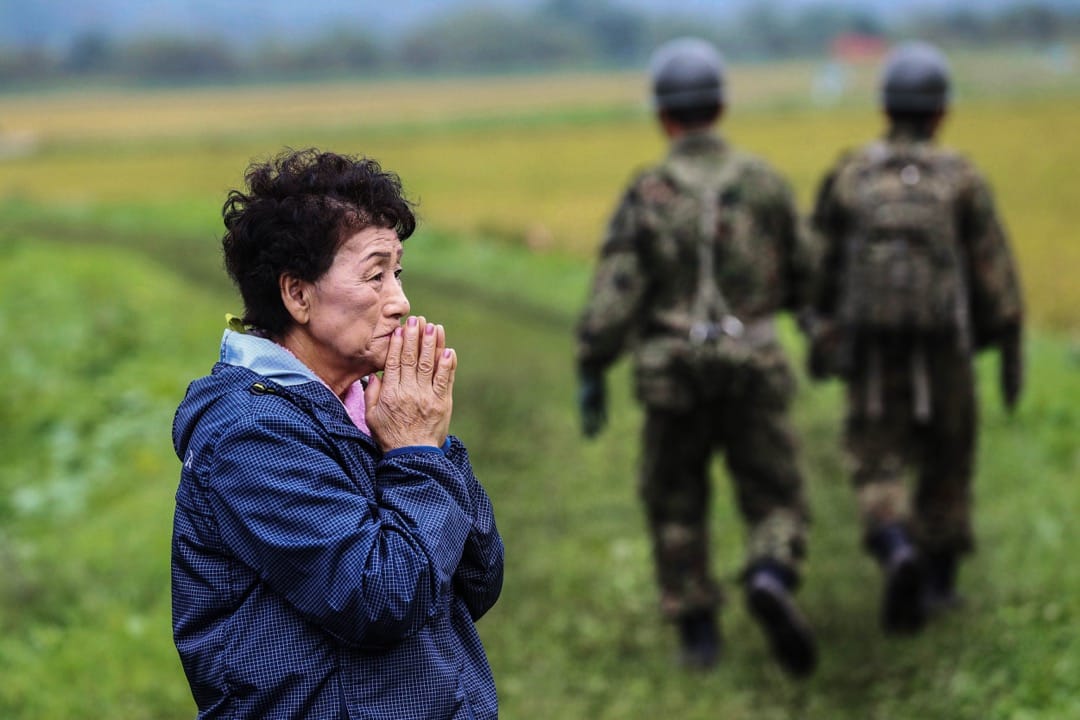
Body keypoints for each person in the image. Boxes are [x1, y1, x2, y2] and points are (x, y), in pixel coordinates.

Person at [170, 148, 504, 719]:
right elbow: (381, 598)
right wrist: (419, 452)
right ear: (297, 295)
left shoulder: (368, 407)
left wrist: (431, 444)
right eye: (375, 275)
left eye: (398, 272)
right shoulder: (250, 436)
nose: (399, 302)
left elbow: (476, 579)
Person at [575, 37, 818, 676]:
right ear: (722, 105)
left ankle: (698, 632)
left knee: (675, 497)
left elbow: (618, 292)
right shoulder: (764, 183)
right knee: (775, 492)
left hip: (672, 373)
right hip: (756, 365)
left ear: (664, 115)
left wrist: (592, 363)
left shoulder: (649, 192)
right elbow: (807, 275)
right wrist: (820, 333)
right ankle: (770, 572)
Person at [807, 41, 1024, 633]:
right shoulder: (962, 178)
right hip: (944, 345)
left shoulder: (852, 174)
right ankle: (939, 585)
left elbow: (816, 264)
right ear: (941, 111)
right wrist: (998, 341)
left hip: (872, 350)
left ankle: (896, 546)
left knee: (876, 461)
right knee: (948, 460)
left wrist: (820, 329)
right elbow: (993, 271)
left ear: (884, 106)